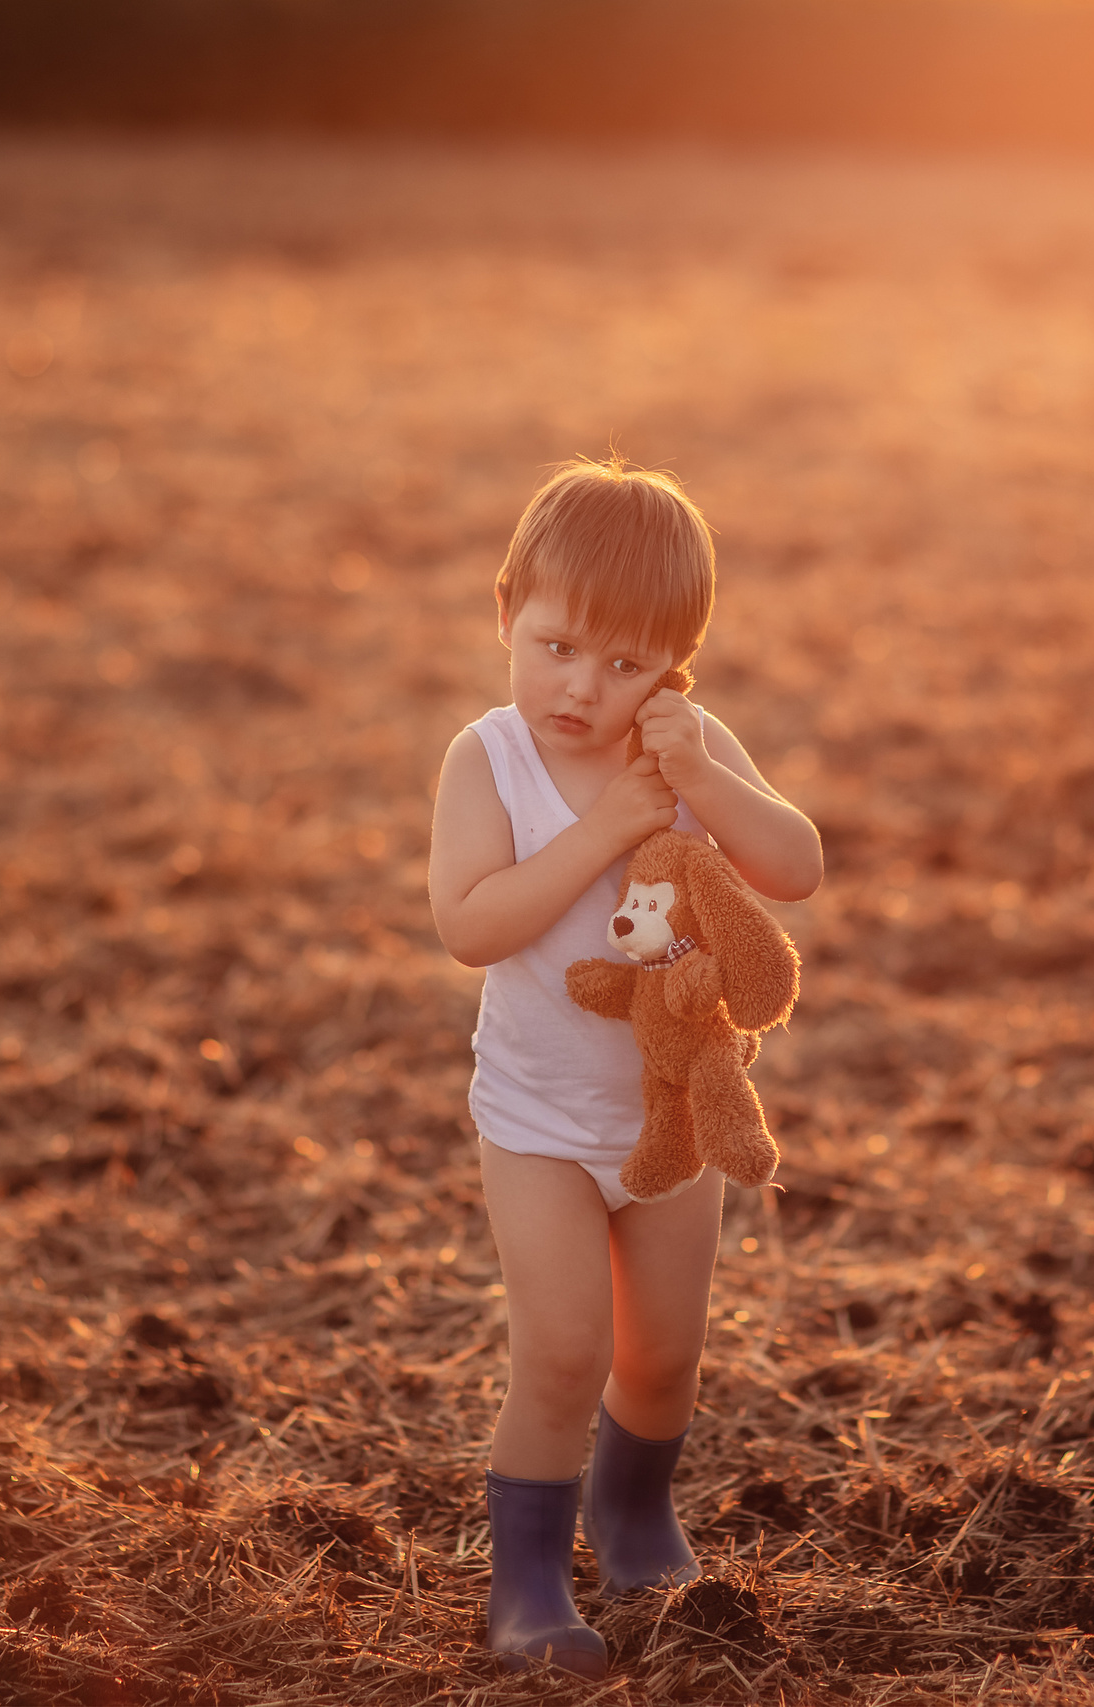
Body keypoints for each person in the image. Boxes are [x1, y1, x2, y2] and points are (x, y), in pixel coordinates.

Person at [426, 457, 824, 1674]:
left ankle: (634, 1513)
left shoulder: (688, 751)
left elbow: (796, 865)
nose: (581, 687)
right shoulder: (489, 760)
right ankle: (529, 1582)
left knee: (661, 1358)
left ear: (674, 666)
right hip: (539, 1121)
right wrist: (602, 830)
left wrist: (702, 779)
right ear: (505, 612)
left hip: (672, 1110)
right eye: (554, 647)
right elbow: (470, 925)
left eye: (624, 665)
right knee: (563, 1353)